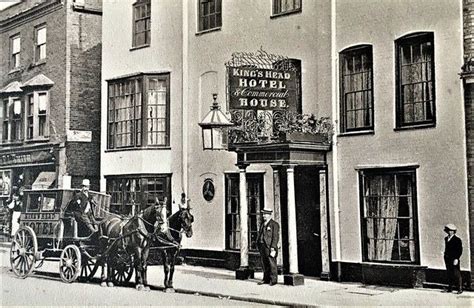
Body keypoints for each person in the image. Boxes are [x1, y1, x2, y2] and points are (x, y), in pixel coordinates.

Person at [257, 207, 279, 286]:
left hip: (269, 247)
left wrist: (273, 247)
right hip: (262, 245)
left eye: (265, 214)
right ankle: (265, 279)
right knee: (264, 263)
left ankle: (273, 280)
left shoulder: (274, 225)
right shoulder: (263, 224)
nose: (263, 216)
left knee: (271, 263)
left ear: (269, 215)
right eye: (263, 214)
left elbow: (275, 237)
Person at [443, 223, 463, 294]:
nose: (450, 232)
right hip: (447, 258)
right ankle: (450, 288)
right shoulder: (446, 239)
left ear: (454, 231)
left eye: (451, 231)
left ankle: (460, 288)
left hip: (454, 258)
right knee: (449, 273)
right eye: (448, 230)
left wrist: (456, 258)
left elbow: (459, 250)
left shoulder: (457, 240)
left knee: (456, 273)